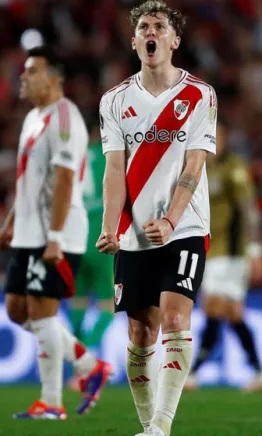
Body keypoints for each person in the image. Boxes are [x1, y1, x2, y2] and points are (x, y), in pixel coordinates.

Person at [96, 1, 217, 435]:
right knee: (140, 331)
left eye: (159, 26)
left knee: (173, 319)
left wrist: (170, 220)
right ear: (134, 41)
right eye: (143, 26)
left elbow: (194, 165)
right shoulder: (114, 101)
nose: (151, 32)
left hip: (184, 228)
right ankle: (149, 425)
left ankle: (161, 427)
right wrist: (110, 225)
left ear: (173, 40)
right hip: (133, 234)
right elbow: (114, 169)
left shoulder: (198, 95)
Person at [0, 46, 111, 419]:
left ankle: (51, 402)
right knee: (17, 309)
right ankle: (88, 365)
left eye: (31, 71)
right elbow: (31, 180)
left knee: (42, 312)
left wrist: (55, 235)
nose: (23, 77)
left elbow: (65, 179)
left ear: (53, 79)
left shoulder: (65, 118)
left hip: (57, 230)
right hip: (29, 231)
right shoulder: (34, 117)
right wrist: (13, 220)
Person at [185, 119, 262, 391]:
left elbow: (249, 211)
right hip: (210, 248)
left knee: (216, 308)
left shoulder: (234, 168)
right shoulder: (201, 166)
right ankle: (256, 370)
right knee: (232, 313)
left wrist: (254, 251)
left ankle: (194, 372)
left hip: (230, 252)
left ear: (226, 137)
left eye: (217, 135)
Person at [71, 123, 114, 348]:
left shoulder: (69, 158)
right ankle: (84, 351)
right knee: (109, 305)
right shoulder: (107, 157)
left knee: (78, 300)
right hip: (100, 239)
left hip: (74, 239)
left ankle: (76, 355)